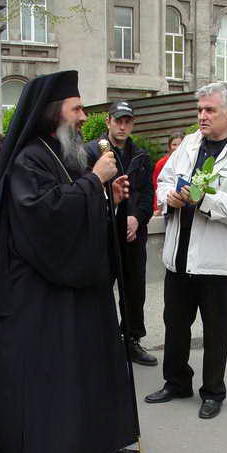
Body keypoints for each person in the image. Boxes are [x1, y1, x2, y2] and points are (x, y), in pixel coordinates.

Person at [0, 71, 140, 453]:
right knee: (55, 375)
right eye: (77, 109)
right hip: (41, 291)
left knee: (87, 369)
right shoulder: (28, 159)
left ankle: (96, 443)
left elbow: (79, 205)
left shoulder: (68, 154)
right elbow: (43, 216)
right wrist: (95, 182)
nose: (84, 117)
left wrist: (109, 198)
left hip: (79, 283)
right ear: (53, 112)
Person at [144, 82, 227, 419]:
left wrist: (205, 201)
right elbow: (164, 180)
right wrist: (168, 197)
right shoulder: (188, 144)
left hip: (216, 261)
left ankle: (213, 392)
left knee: (215, 330)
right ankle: (176, 382)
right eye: (199, 109)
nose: (202, 116)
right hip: (178, 255)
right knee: (175, 324)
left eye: (210, 110)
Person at [85, 101, 157, 367]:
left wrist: (136, 219)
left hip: (133, 236)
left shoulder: (141, 156)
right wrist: (114, 213)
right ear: (108, 122)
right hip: (103, 233)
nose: (123, 126)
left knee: (134, 290)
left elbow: (147, 195)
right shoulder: (92, 151)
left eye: (127, 121)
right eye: (118, 121)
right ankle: (99, 342)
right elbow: (85, 190)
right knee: (99, 289)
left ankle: (131, 339)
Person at [152, 132, 184, 215]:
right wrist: (157, 207)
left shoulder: (188, 162)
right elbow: (156, 186)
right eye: (174, 145)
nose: (177, 148)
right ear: (169, 146)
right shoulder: (161, 163)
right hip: (166, 205)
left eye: (180, 144)